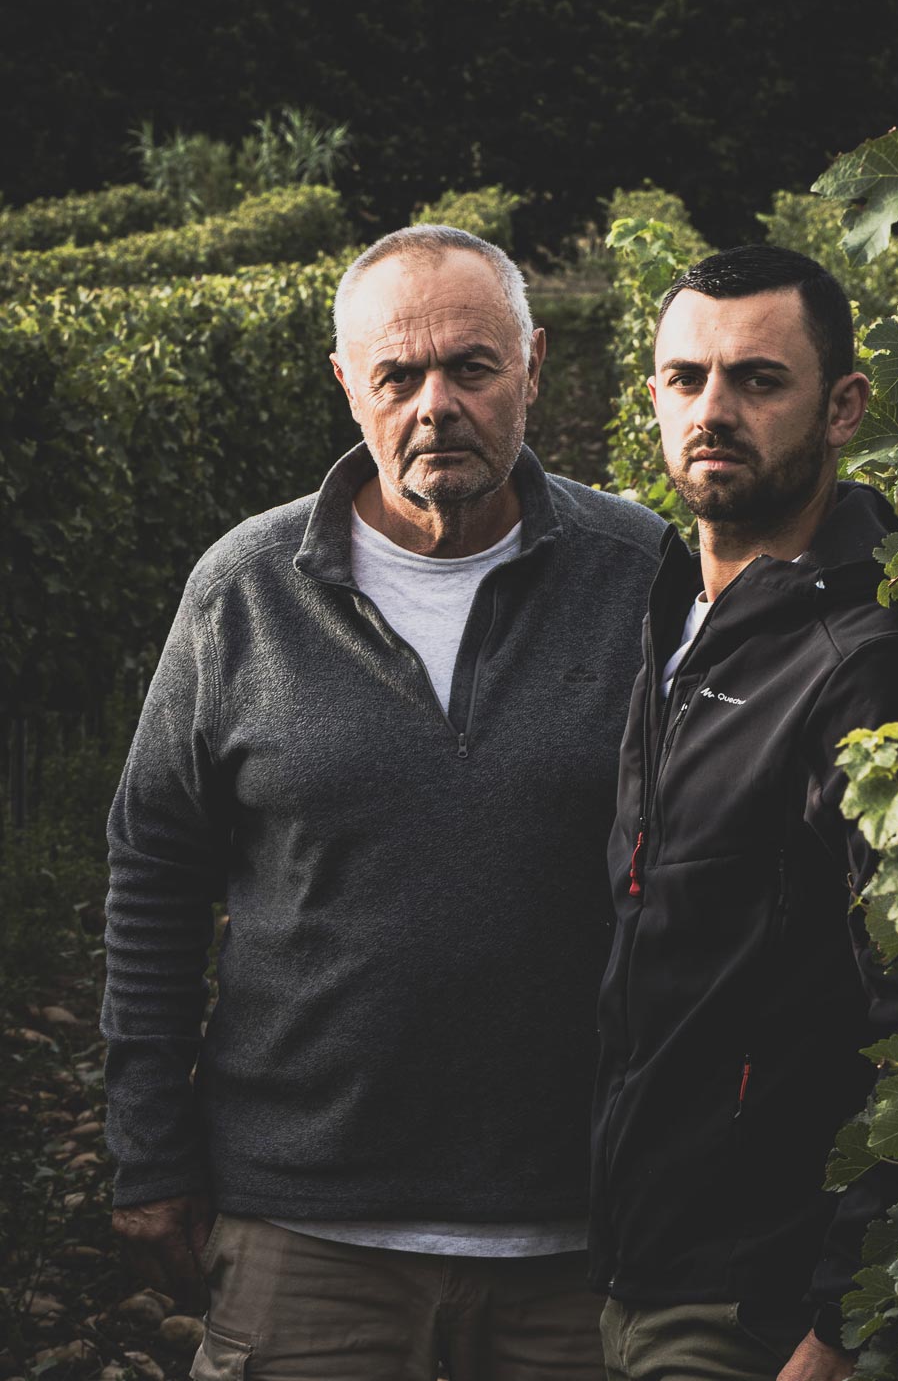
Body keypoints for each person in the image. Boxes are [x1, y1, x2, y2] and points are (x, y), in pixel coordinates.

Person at [101, 224, 666, 1380]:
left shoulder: (642, 571)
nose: (435, 404)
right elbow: (154, 871)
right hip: (307, 1225)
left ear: (535, 365)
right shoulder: (244, 590)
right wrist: (149, 1150)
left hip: (586, 1228)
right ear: (347, 382)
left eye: (472, 366)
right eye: (398, 374)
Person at [590, 246, 898, 1381]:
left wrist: (847, 1318)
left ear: (843, 406)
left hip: (762, 1307)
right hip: (635, 1267)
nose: (715, 410)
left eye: (759, 380)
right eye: (686, 378)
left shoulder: (870, 663)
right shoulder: (674, 608)